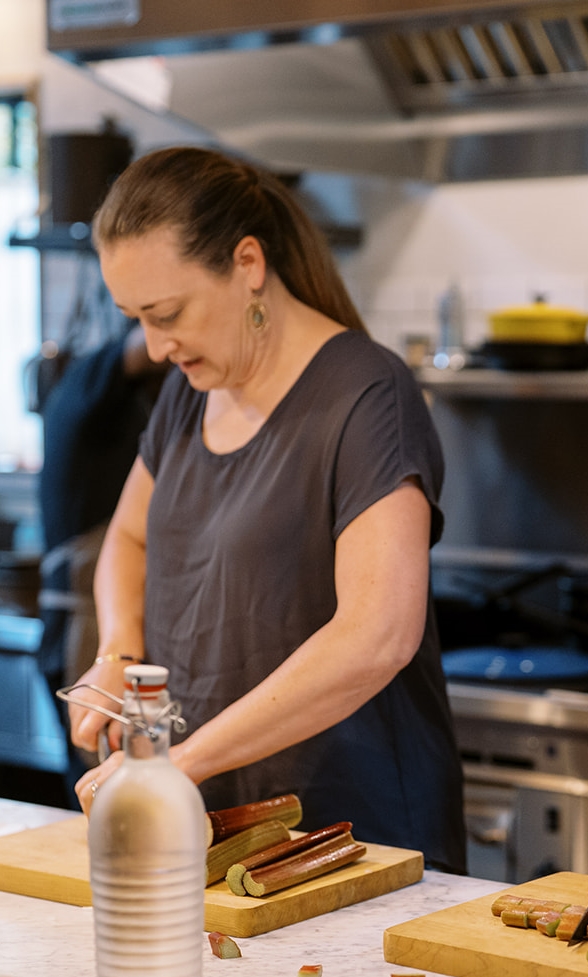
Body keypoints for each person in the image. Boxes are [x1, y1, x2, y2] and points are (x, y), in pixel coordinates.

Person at [65, 145, 467, 874]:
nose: (155, 348)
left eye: (167, 313)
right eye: (137, 320)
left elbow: (378, 633)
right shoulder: (190, 394)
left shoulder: (367, 395)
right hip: (219, 830)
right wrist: (116, 653)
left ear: (246, 263)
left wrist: (177, 762)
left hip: (350, 842)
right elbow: (126, 538)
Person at [37, 325, 164, 806]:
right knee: (98, 766)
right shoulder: (88, 379)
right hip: (83, 622)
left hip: (84, 617)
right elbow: (141, 347)